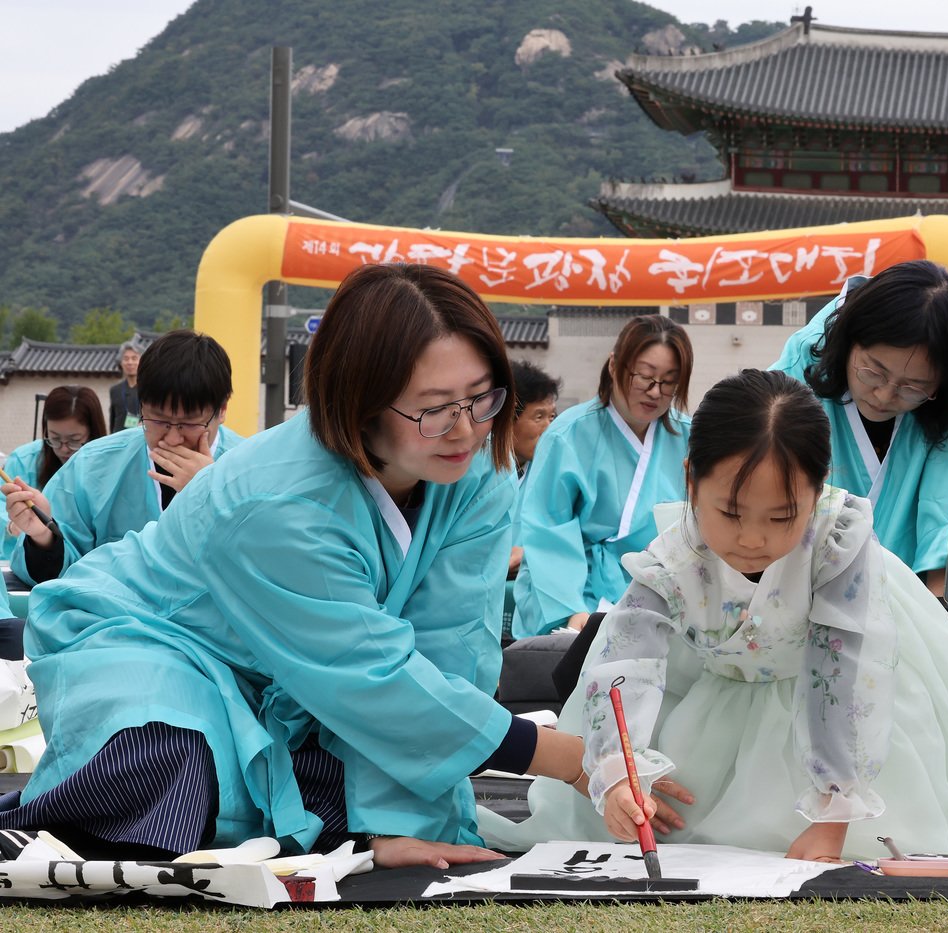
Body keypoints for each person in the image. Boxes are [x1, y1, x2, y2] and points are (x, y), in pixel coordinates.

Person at [0, 264, 594, 866]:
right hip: (156, 639)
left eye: (482, 397)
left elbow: (451, 642)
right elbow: (369, 673)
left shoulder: (477, 468)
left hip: (304, 680)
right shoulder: (275, 498)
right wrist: (562, 758)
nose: (465, 429)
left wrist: (395, 829)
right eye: (436, 408)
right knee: (176, 765)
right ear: (360, 401)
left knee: (339, 784)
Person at [479, 370, 948, 860]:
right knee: (660, 814)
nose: (752, 539)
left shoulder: (838, 540)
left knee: (888, 828)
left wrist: (835, 811)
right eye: (729, 512)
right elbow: (627, 663)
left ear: (818, 488)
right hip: (719, 690)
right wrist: (619, 768)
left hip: (848, 682)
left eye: (782, 517)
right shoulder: (672, 557)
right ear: (691, 479)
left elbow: (845, 670)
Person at [770, 260, 948, 692]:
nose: (884, 394)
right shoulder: (807, 355)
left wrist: (935, 639)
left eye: (913, 386)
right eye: (873, 371)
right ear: (848, 342)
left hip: (934, 592)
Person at [4, 331, 243, 587]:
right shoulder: (92, 466)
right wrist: (42, 536)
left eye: (189, 423)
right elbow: (59, 577)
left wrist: (211, 493)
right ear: (140, 407)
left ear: (222, 410)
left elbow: (269, 569)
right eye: (158, 420)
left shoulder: (250, 468)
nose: (173, 439)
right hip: (111, 622)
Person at [511, 315, 693, 637]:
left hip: (656, 591)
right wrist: (571, 609)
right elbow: (546, 530)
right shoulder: (567, 434)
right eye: (645, 377)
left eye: (668, 382)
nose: (655, 392)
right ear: (614, 366)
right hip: (569, 589)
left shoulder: (687, 436)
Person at [2, 386, 107, 541]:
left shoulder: (111, 465)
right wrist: (13, 525)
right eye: (55, 438)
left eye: (74, 440)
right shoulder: (23, 461)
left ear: (93, 433)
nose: (63, 448)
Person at [507, 359, 561, 578]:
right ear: (507, 418)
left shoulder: (552, 473)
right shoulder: (475, 471)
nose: (550, 429)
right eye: (539, 417)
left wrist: (528, 554)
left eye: (552, 417)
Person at [108, 340, 141, 433]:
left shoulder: (149, 389)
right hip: (119, 439)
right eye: (126, 359)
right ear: (121, 363)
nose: (130, 362)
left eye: (134, 358)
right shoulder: (115, 390)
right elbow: (112, 419)